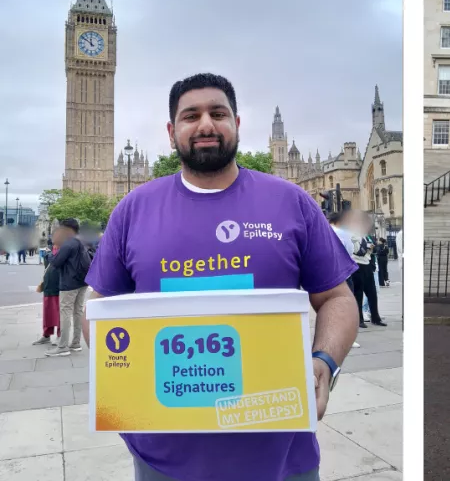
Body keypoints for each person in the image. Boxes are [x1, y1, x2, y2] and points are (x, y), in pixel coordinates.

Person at [83, 73, 359, 481]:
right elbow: (99, 303)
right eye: (190, 115)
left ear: (237, 124)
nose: (206, 124)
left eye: (218, 113)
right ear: (172, 130)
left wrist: (324, 361)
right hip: (163, 455)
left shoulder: (290, 201)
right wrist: (123, 375)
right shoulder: (134, 207)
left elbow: (338, 297)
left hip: (280, 453)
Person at [45, 219, 90, 357]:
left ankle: (63, 346)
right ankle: (76, 343)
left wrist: (49, 254)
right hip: (82, 283)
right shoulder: (81, 241)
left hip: (69, 283)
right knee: (77, 312)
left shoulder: (68, 244)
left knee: (65, 313)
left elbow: (56, 262)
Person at [328, 210, 360, 349]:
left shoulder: (324, 231)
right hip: (344, 273)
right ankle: (346, 339)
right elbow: (352, 250)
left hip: (329, 273)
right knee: (347, 306)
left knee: (331, 307)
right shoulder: (343, 233)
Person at [349, 211, 386, 329]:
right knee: (358, 294)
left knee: (372, 293)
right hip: (357, 265)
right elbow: (356, 250)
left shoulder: (365, 234)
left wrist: (370, 246)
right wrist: (367, 247)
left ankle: (375, 317)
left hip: (367, 264)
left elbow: (372, 246)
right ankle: (359, 319)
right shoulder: (352, 233)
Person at [33, 243, 61, 346]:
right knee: (47, 312)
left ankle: (60, 335)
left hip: (59, 287)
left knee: (59, 313)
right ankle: (46, 335)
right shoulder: (49, 252)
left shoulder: (65, 250)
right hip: (48, 286)